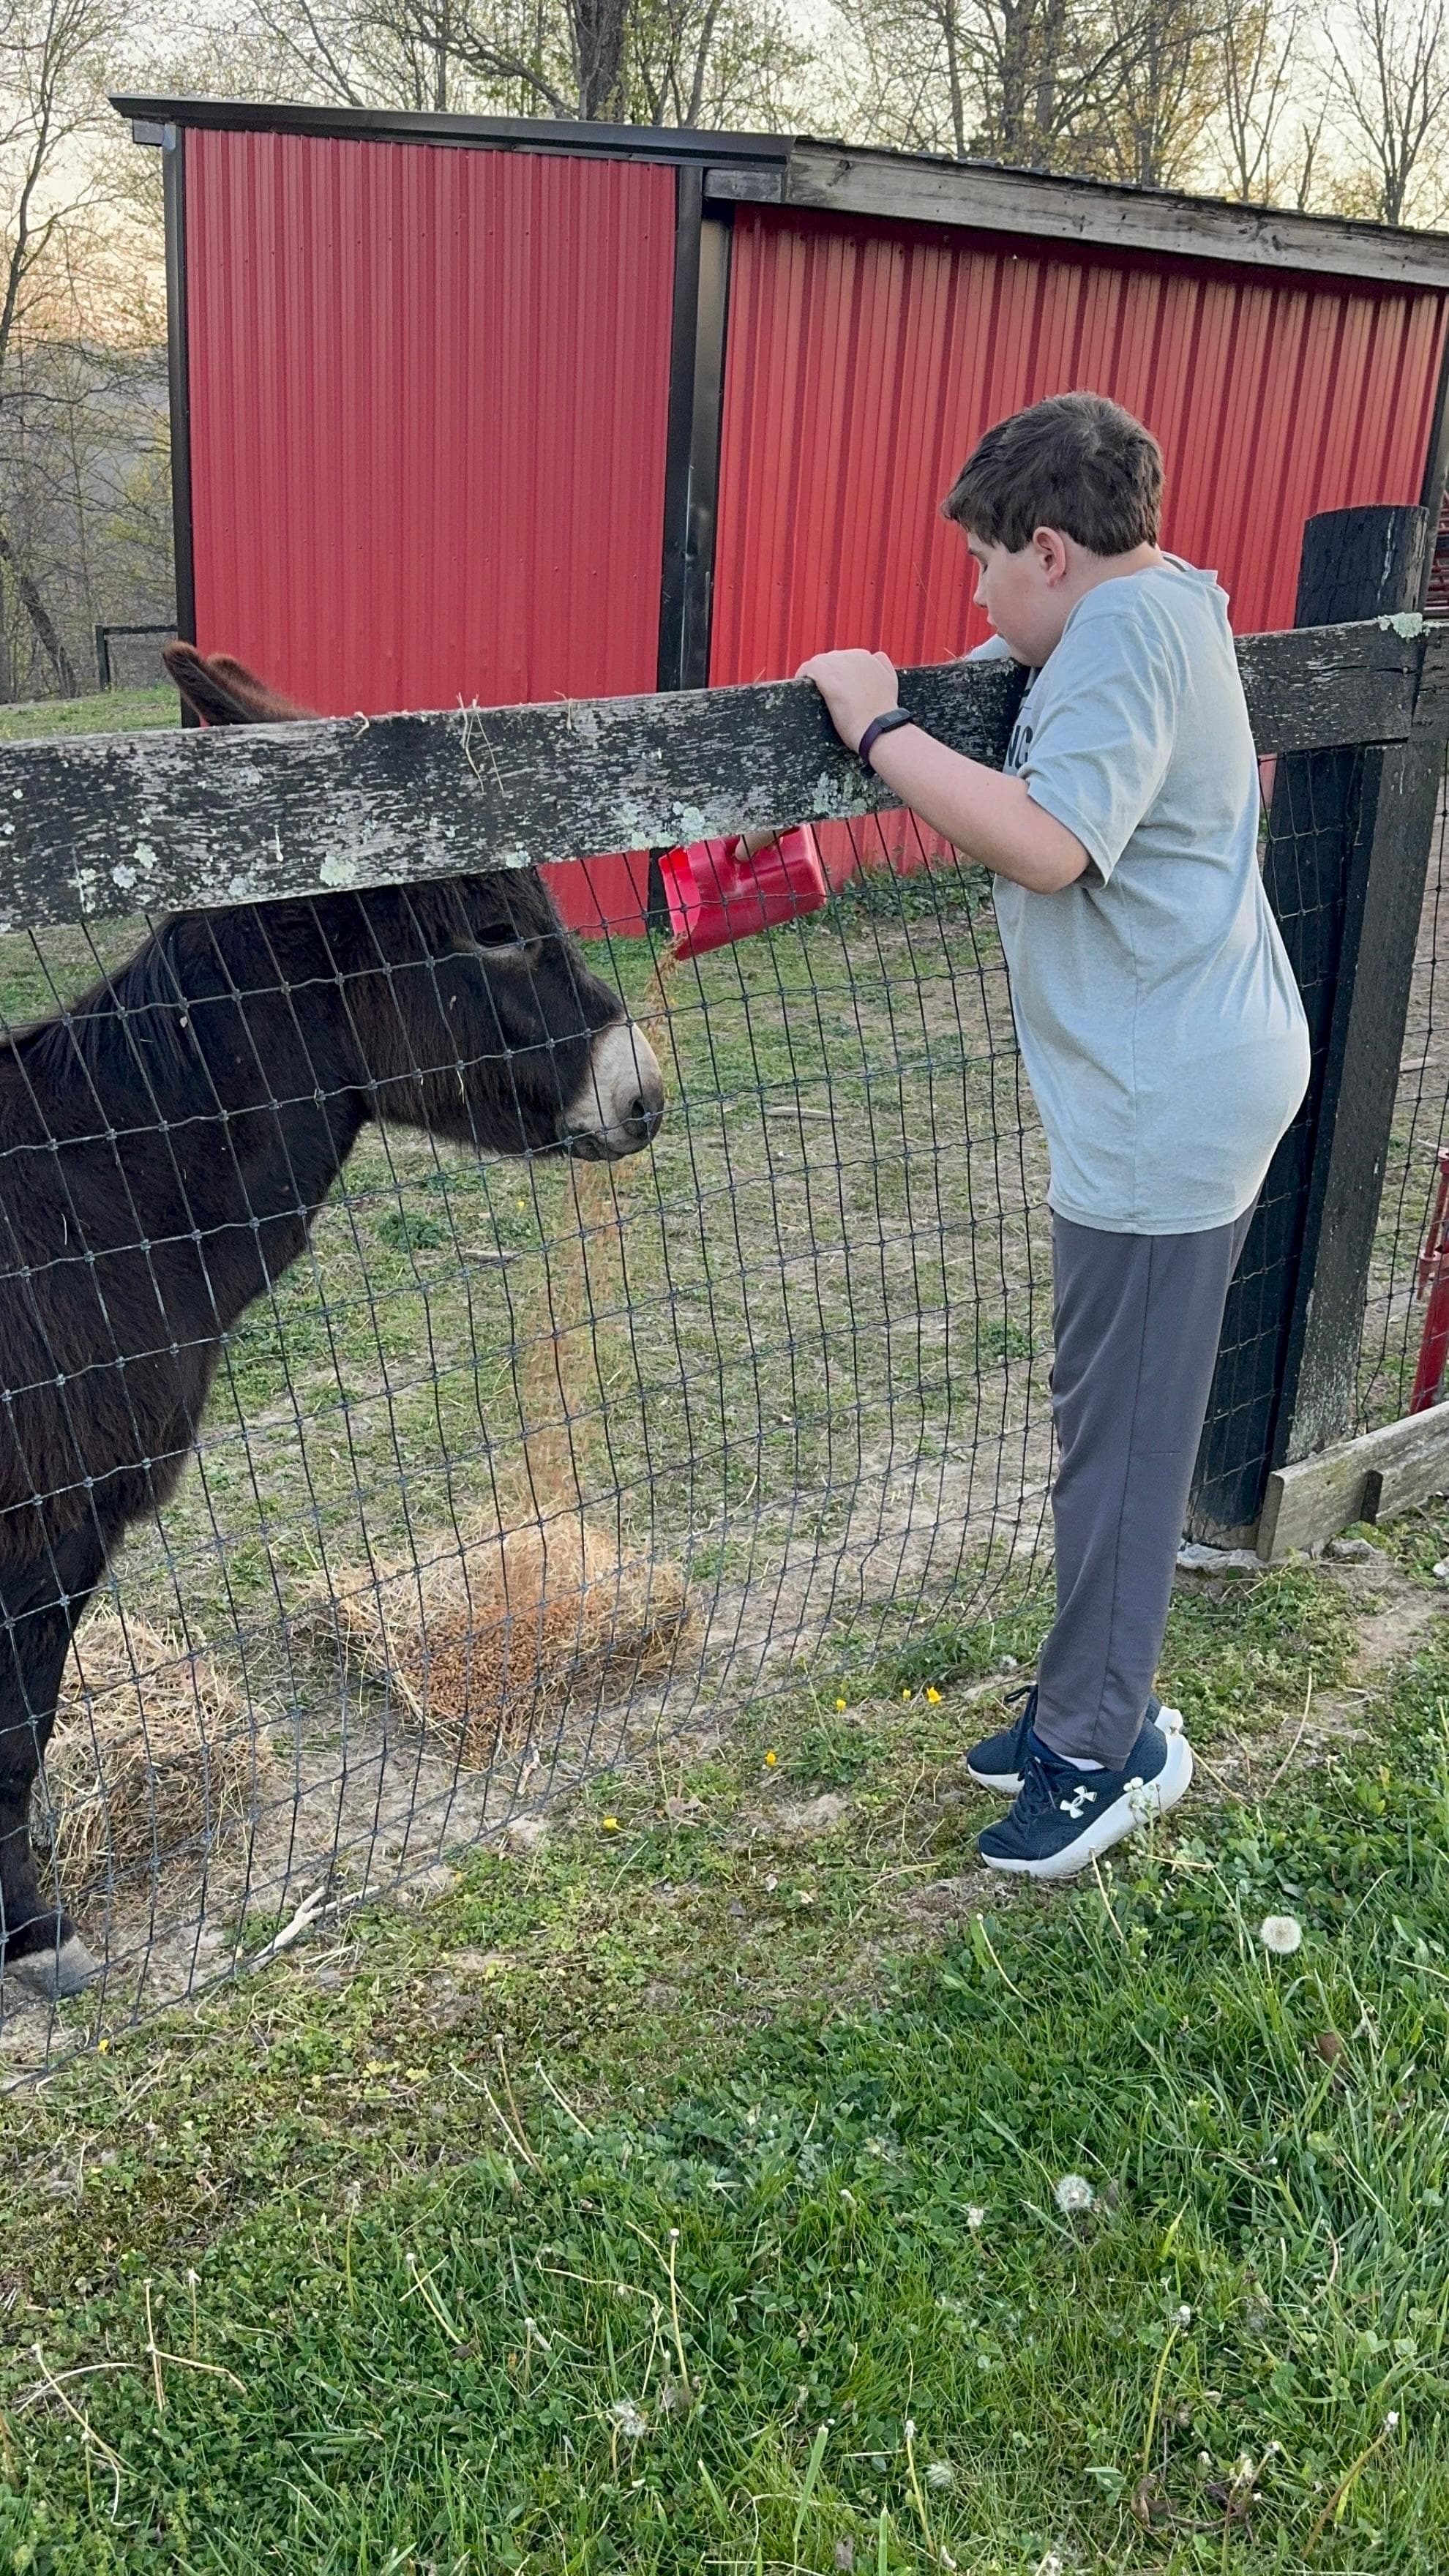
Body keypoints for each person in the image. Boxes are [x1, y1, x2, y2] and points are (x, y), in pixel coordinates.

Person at [797, 391, 1310, 1881]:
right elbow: (1038, 689)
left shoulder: (1126, 639)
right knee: (1104, 1422)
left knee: (1128, 1445)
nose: (977, 594)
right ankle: (1090, 1696)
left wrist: (878, 724)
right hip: (1175, 1072)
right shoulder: (1159, 604)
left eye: (984, 565)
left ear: (1049, 547)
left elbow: (1050, 835)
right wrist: (931, 687)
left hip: (1171, 1101)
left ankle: (1106, 1749)